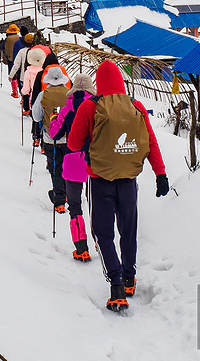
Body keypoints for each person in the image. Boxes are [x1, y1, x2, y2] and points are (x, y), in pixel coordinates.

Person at [68, 59, 169, 312]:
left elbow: (72, 144)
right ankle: (129, 277)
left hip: (100, 180)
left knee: (103, 233)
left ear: (98, 83)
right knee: (128, 230)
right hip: (128, 182)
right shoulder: (136, 106)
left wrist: (90, 144)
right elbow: (151, 143)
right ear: (121, 82)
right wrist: (161, 174)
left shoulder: (90, 107)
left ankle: (115, 286)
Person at [49, 73, 95, 262]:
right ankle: (102, 243)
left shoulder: (68, 107)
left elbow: (54, 133)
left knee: (75, 207)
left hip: (73, 158)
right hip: (97, 160)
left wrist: (53, 117)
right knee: (98, 206)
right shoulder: (98, 105)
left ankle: (81, 248)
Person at [32, 66, 70, 212]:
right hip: (68, 139)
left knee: (55, 168)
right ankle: (67, 192)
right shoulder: (69, 94)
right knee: (66, 167)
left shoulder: (43, 95)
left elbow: (36, 116)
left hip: (50, 139)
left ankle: (59, 200)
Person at [19, 47, 45, 118]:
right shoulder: (45, 70)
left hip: (34, 97)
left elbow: (26, 89)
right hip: (45, 95)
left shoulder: (28, 72)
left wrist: (23, 92)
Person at [0, 24, 21, 97]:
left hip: (11, 58)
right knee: (19, 73)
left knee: (12, 74)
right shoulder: (19, 38)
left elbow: (2, 47)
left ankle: (15, 91)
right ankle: (20, 88)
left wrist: (1, 43)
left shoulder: (8, 39)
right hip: (19, 58)